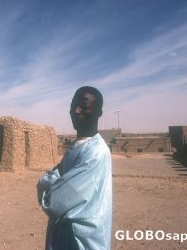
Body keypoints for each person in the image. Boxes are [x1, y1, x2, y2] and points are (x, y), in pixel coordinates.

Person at [37, 86, 112, 250]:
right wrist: (57, 181)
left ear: (99, 112)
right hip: (64, 236)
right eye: (73, 106)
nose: (76, 111)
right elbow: (59, 175)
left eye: (84, 107)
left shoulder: (96, 152)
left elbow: (55, 201)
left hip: (81, 241)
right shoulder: (75, 145)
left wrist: (45, 181)